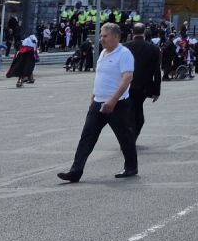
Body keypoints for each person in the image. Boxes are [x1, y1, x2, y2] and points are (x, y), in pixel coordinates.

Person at [57, 23, 138, 183]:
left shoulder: (124, 54)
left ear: (116, 36)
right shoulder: (103, 53)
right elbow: (101, 78)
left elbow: (127, 78)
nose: (101, 39)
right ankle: (75, 171)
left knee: (125, 137)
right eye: (101, 35)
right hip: (98, 103)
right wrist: (93, 97)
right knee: (87, 136)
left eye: (105, 36)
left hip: (117, 104)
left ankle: (131, 167)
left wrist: (113, 100)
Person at [125, 23, 162, 142]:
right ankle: (132, 134)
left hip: (126, 85)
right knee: (137, 109)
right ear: (144, 32)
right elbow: (157, 71)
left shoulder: (124, 47)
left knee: (131, 110)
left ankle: (130, 135)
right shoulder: (154, 49)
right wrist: (156, 91)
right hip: (144, 87)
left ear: (132, 32)